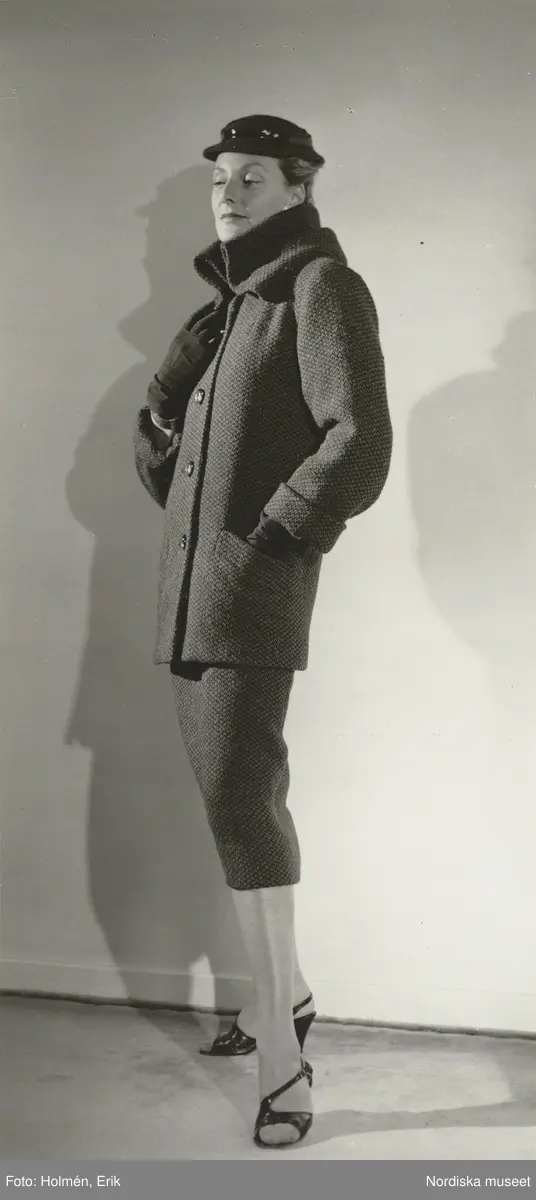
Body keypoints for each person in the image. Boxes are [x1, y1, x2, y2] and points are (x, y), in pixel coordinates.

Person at [133, 113, 393, 1148]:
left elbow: (358, 440)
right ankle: (280, 996)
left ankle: (283, 1061)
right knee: (230, 799)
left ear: (298, 188)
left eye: (252, 178)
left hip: (246, 593)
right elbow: (173, 476)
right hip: (190, 597)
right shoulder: (233, 308)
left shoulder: (320, 288)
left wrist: (271, 538)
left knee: (244, 803)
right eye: (221, 179)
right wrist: (169, 388)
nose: (230, 194)